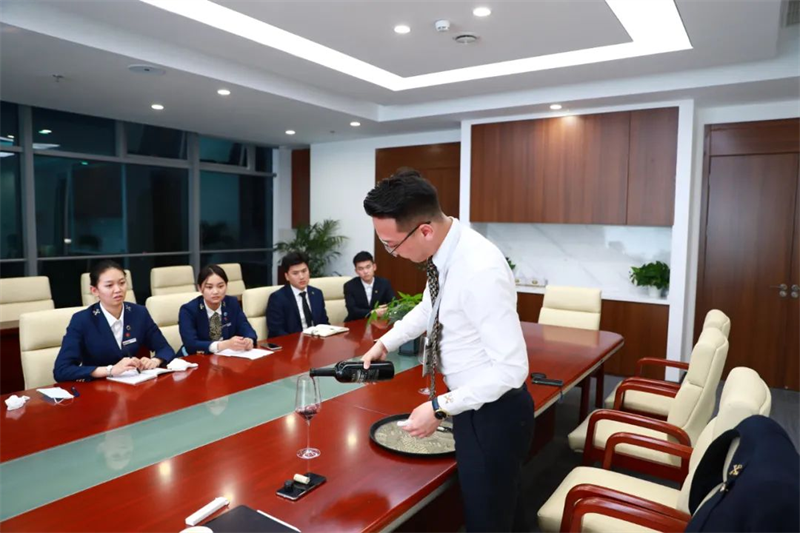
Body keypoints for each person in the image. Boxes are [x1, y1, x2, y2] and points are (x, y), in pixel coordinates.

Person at [360, 169, 533, 533]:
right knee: (504, 511)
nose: (392, 253)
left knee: (488, 520)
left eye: (392, 244)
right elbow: (430, 307)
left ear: (424, 230)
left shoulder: (479, 269)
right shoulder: (446, 253)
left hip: (493, 412)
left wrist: (439, 407)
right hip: (472, 403)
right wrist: (385, 342)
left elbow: (512, 369)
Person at [54, 260, 175, 382]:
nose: (118, 289)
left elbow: (165, 349)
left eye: (122, 283)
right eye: (109, 285)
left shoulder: (139, 313)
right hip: (98, 387)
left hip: (135, 384)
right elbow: (62, 370)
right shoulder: (82, 320)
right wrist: (110, 370)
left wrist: (155, 360)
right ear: (94, 291)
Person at [178, 264, 257, 355]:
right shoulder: (188, 310)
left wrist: (248, 340)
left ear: (226, 286)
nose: (215, 292)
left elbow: (246, 328)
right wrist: (223, 345)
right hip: (195, 358)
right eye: (209, 287)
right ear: (199, 288)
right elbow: (191, 344)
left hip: (225, 357)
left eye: (220, 286)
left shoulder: (232, 303)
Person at [266, 251, 329, 338]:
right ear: (287, 276)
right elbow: (276, 331)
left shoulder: (317, 294)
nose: (301, 277)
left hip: (316, 342)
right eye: (295, 273)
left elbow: (324, 324)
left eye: (304, 271)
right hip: (291, 343)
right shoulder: (278, 298)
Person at [343, 251, 396, 322]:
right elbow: (352, 310)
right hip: (356, 322)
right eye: (361, 269)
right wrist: (373, 312)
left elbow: (394, 303)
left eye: (368, 267)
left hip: (378, 322)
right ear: (356, 271)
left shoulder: (384, 283)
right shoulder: (350, 286)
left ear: (374, 267)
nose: (365, 271)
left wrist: (386, 309)